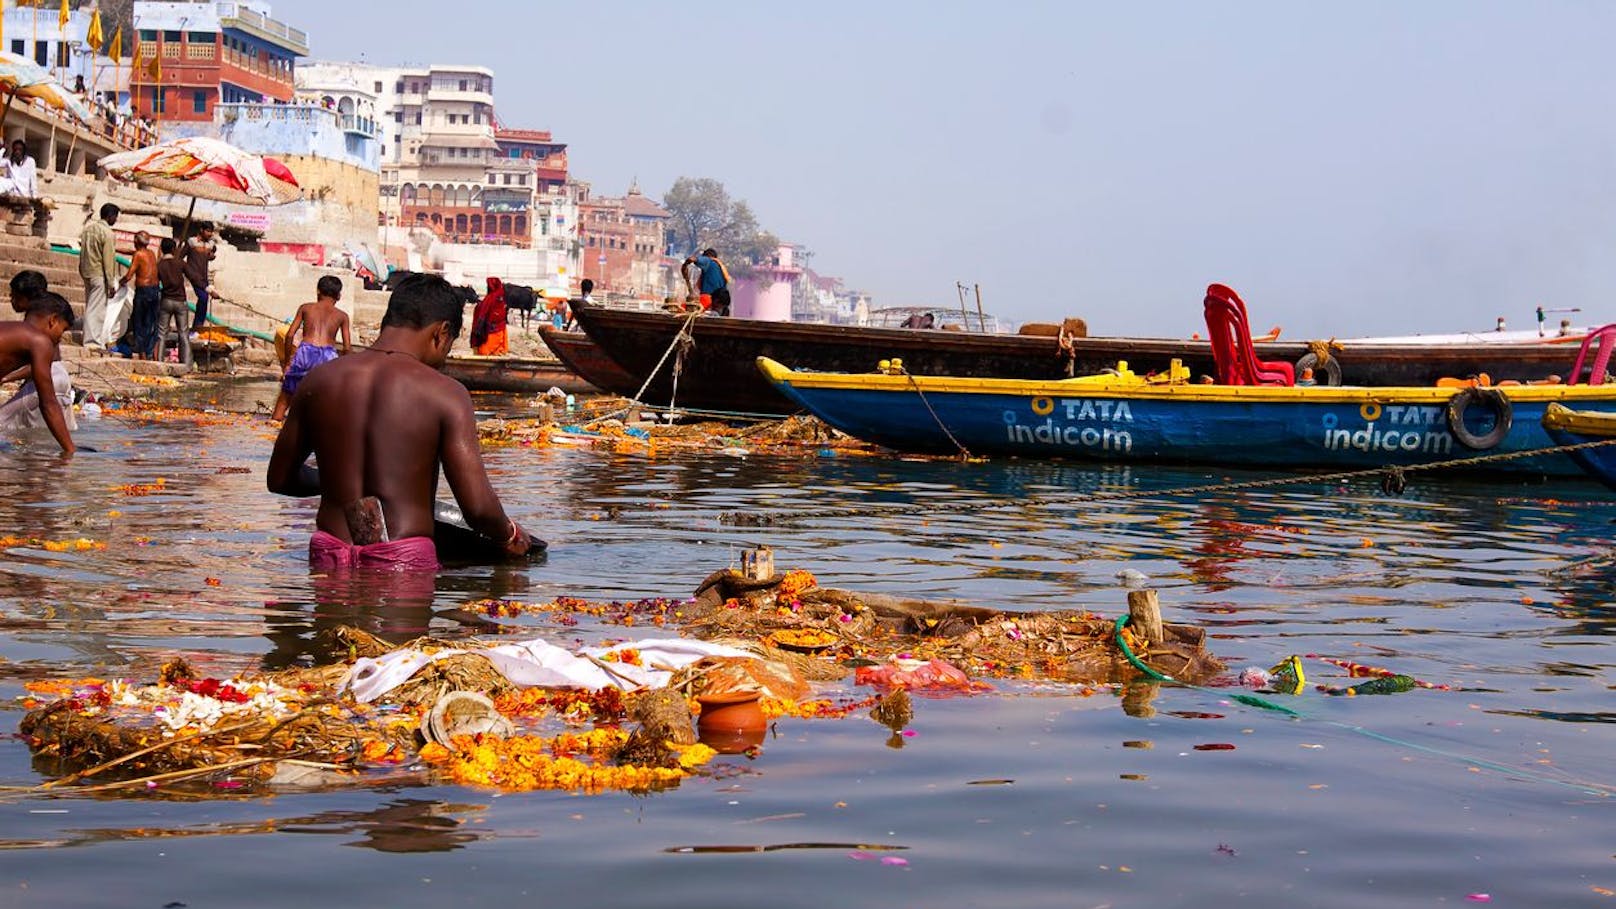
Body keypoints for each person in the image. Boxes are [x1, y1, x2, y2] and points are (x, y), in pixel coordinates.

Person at [266, 272, 532, 569]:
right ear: (441, 333)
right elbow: (478, 508)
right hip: (401, 564)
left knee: (331, 615)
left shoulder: (319, 380)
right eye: (448, 346)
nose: (443, 358)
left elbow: (280, 479)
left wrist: (333, 479)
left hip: (330, 555)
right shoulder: (445, 394)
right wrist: (510, 535)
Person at [0, 294, 77, 454]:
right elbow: (48, 403)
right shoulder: (40, 341)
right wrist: (70, 451)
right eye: (62, 330)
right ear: (53, 320)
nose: (60, 338)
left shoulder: (14, 330)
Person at [271, 275, 352, 421]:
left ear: (318, 291)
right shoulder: (342, 316)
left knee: (284, 400)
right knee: (324, 402)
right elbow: (347, 348)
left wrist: (287, 362)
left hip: (305, 353)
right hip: (328, 356)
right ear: (339, 296)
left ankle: (273, 425)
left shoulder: (306, 308)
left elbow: (290, 335)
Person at [78, 204, 119, 350]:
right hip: (99, 274)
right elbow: (108, 260)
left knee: (91, 305)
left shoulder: (88, 229)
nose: (116, 220)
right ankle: (91, 343)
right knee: (96, 310)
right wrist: (111, 283)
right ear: (110, 216)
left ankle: (90, 339)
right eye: (115, 217)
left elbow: (82, 252)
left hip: (86, 272)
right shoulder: (107, 233)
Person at [118, 231, 160, 359]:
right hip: (155, 290)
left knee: (139, 321)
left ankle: (142, 353)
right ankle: (150, 352)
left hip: (144, 291)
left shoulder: (138, 255)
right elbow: (135, 253)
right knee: (150, 321)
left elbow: (129, 275)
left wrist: (119, 283)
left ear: (136, 241)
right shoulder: (151, 253)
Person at [155, 238, 192, 367]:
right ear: (173, 249)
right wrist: (207, 289)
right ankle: (186, 364)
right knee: (183, 333)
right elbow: (193, 276)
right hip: (180, 301)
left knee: (161, 333)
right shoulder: (180, 263)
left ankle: (159, 362)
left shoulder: (159, 265)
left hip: (166, 300)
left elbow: (155, 282)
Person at [184, 223, 217, 333]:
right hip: (193, 275)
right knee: (203, 297)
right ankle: (197, 327)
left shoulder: (210, 244)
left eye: (211, 231)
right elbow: (181, 256)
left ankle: (197, 327)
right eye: (207, 231)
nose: (210, 233)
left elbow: (212, 252)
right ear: (201, 230)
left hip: (203, 276)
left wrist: (211, 256)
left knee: (204, 299)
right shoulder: (192, 242)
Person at [681, 248, 731, 316]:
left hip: (709, 301)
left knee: (685, 308)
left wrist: (685, 265)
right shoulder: (720, 268)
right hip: (721, 305)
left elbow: (691, 259)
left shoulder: (709, 261)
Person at [469, 276, 508, 356]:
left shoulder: (491, 298)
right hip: (500, 330)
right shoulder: (501, 297)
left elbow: (483, 315)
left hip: (491, 333)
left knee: (484, 352)